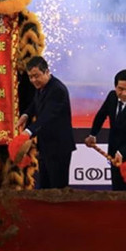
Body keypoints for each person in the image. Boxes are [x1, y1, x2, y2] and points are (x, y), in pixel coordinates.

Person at [17, 56, 76, 189]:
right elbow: (35, 104)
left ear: (47, 72)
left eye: (36, 76)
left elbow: (46, 116)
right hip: (45, 146)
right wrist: (26, 115)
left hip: (59, 148)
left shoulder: (57, 90)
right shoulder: (42, 86)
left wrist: (27, 132)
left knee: (57, 189)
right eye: (30, 77)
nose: (33, 80)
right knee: (45, 188)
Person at [85, 69, 126, 191]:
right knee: (117, 191)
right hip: (114, 153)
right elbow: (101, 115)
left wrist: (122, 152)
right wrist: (93, 134)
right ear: (115, 87)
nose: (124, 93)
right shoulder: (111, 97)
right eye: (120, 89)